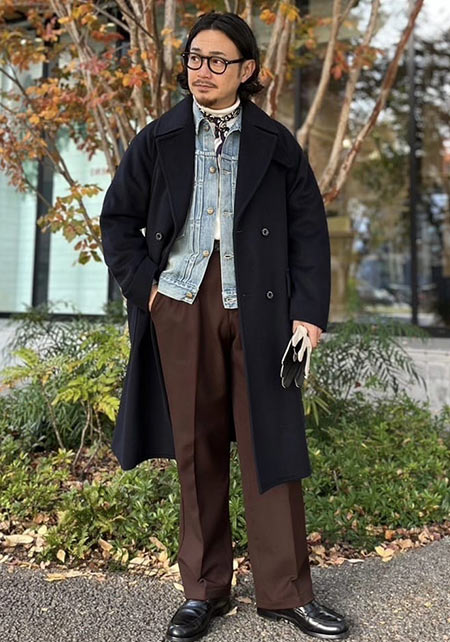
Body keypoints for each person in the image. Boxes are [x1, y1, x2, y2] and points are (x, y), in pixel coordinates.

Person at [100, 10, 349, 642]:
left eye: (217, 61)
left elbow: (308, 230)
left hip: (262, 308)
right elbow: (118, 219)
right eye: (194, 58)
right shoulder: (158, 138)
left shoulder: (276, 143)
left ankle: (285, 592)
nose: (202, 71)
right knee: (196, 448)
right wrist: (147, 289)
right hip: (181, 304)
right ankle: (204, 590)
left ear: (247, 70)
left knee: (272, 445)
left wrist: (308, 312)